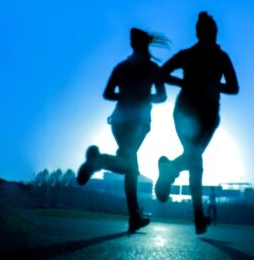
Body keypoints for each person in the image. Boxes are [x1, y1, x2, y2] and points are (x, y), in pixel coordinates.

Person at [77, 28, 169, 233]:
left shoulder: (121, 67)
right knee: (130, 168)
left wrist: (125, 96)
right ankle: (99, 161)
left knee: (131, 168)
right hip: (138, 124)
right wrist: (145, 98)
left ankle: (134, 215)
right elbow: (162, 97)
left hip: (118, 122)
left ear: (132, 45)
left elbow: (108, 93)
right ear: (146, 44)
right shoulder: (153, 69)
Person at [155, 11, 239, 234]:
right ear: (211, 33)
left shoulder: (193, 55)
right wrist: (205, 85)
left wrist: (188, 83)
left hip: (196, 115)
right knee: (195, 160)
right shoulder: (218, 57)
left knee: (194, 160)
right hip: (198, 114)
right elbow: (233, 87)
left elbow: (161, 74)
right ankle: (198, 217)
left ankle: (170, 171)